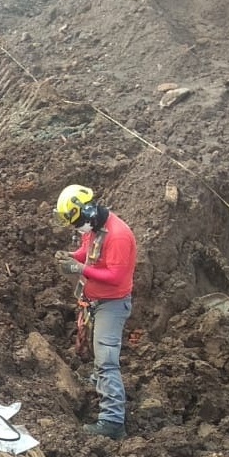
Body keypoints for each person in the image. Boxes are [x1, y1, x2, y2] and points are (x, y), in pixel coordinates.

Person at [54, 184, 137, 441]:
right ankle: (100, 382)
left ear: (89, 211)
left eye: (78, 221)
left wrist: (79, 269)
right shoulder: (95, 228)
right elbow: (88, 253)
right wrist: (71, 256)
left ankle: (112, 421)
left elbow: (116, 276)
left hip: (112, 304)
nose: (78, 228)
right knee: (99, 353)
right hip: (96, 302)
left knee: (107, 360)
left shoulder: (119, 236)